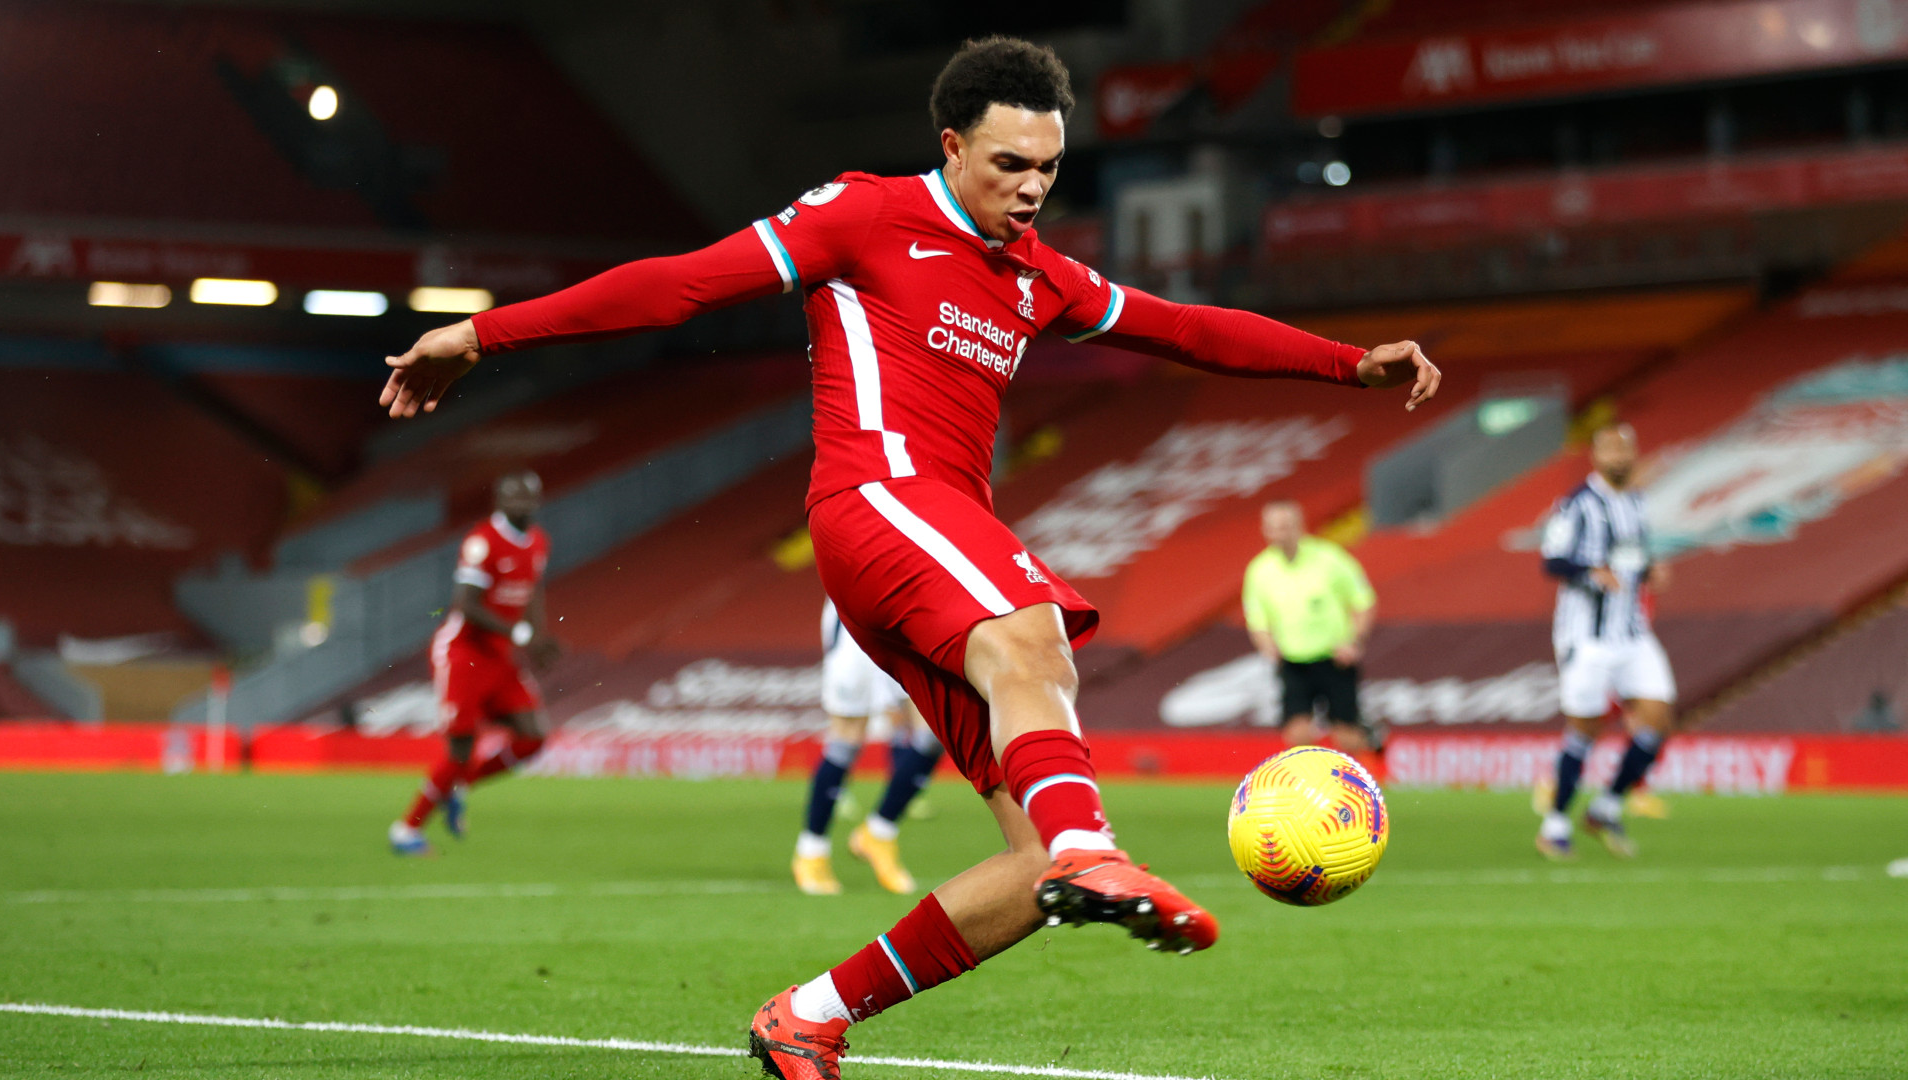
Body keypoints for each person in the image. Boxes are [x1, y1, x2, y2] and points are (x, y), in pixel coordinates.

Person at [376, 36, 1438, 1077]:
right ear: (952, 145)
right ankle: (1091, 848)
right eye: (1009, 164)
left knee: (1028, 864)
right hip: (875, 501)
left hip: (923, 545)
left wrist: (1349, 367)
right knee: (1032, 638)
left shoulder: (1037, 275)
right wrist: (483, 335)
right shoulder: (865, 213)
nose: (1031, 189)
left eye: (1049, 169)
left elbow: (1186, 330)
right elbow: (684, 284)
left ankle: (810, 1017)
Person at [390, 471, 560, 856]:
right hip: (463, 653)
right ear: (499, 501)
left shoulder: (538, 543)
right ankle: (406, 830)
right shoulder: (482, 541)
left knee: (533, 736)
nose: (521, 503)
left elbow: (532, 592)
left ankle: (461, 785)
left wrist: (538, 638)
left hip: (499, 655)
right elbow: (465, 605)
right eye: (512, 496)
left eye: (528, 496)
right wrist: (520, 635)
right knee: (461, 749)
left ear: (537, 501)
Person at [1536, 423, 1675, 860]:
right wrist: (1589, 573)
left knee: (1658, 718)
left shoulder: (1636, 501)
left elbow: (1632, 553)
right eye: (1610, 450)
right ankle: (1555, 823)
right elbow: (1552, 559)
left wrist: (1650, 569)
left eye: (1625, 449)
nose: (1619, 457)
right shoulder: (1578, 504)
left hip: (1631, 632)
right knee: (1586, 728)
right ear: (1595, 456)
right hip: (1587, 637)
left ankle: (1607, 806)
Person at [795, 598, 946, 896]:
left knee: (935, 731)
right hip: (857, 614)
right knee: (846, 739)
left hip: (905, 611)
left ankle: (878, 832)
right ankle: (811, 851)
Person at [1242, 500, 1379, 755]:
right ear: (1265, 530)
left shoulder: (1329, 558)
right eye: (1274, 528)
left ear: (1299, 527)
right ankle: (1311, 791)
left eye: (1285, 527)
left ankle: (1368, 780)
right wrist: (1268, 648)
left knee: (1346, 737)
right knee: (1297, 735)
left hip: (1334, 658)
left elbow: (1363, 600)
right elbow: (1257, 619)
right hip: (1294, 661)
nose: (1279, 534)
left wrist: (1355, 641)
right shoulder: (1260, 570)